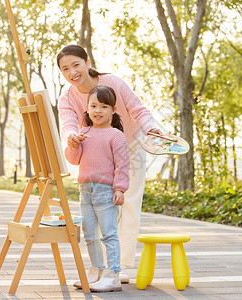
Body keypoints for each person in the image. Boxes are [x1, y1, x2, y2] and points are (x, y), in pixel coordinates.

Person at [57, 45, 161, 283]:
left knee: (129, 203)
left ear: (88, 62)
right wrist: (72, 136)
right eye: (65, 69)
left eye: (76, 65)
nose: (72, 72)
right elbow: (68, 124)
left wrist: (150, 129)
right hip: (98, 153)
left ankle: (120, 266)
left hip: (130, 145)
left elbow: (137, 108)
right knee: (103, 210)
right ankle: (101, 266)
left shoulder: (113, 81)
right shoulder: (67, 97)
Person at [65, 85, 129, 292]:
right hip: (85, 191)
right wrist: (73, 145)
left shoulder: (115, 135)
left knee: (109, 234)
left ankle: (112, 274)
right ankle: (96, 270)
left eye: (103, 106)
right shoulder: (83, 132)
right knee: (90, 234)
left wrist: (120, 188)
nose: (98, 111)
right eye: (93, 106)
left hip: (106, 192)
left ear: (113, 110)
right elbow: (74, 160)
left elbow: (122, 165)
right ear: (87, 108)